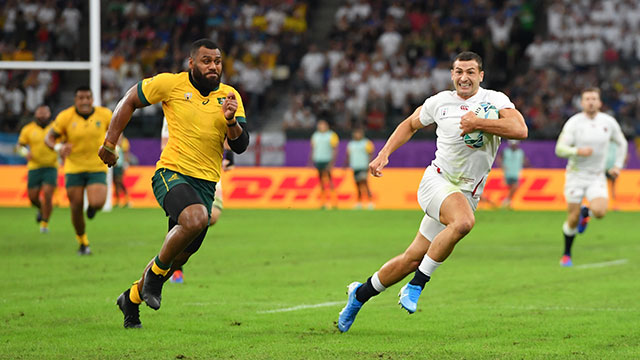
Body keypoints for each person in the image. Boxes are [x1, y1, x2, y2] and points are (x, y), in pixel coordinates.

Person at [337, 51, 527, 332]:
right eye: (459, 71)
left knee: (411, 258)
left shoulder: (494, 101)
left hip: (467, 193)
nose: (464, 77)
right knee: (463, 223)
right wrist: (384, 154)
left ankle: (359, 295)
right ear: (452, 74)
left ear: (481, 76)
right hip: (437, 182)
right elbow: (410, 124)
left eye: (471, 72)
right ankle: (416, 285)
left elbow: (520, 129)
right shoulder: (440, 102)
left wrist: (479, 123)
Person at [99, 39, 249, 328]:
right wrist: (110, 142)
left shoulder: (230, 96)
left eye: (217, 61)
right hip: (172, 173)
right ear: (191, 63)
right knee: (195, 219)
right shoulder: (171, 84)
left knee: (178, 258)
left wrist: (231, 121)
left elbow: (240, 145)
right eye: (206, 61)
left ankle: (130, 298)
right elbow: (130, 99)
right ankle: (154, 279)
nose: (213, 66)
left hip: (205, 183)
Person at [555, 88, 627, 267]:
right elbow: (560, 149)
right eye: (587, 99)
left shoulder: (608, 122)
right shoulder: (574, 123)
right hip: (576, 176)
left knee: (601, 212)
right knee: (572, 218)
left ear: (600, 102)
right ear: (581, 103)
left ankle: (586, 213)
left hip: (596, 176)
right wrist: (577, 151)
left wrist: (617, 165)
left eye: (594, 98)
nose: (591, 102)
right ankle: (567, 254)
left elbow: (622, 143)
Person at [160, 117, 235, 284]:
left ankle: (174, 258)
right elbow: (165, 142)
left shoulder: (216, 102)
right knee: (186, 217)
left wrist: (229, 155)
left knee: (212, 216)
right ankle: (173, 268)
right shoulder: (176, 105)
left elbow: (225, 131)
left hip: (210, 171)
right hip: (182, 172)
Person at [44, 86, 112, 255]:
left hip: (96, 166)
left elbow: (115, 133)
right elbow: (49, 138)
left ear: (92, 99)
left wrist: (115, 149)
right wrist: (59, 147)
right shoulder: (65, 117)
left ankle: (92, 209)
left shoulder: (104, 114)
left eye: (88, 97)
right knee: (76, 206)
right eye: (81, 98)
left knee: (97, 202)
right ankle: (83, 242)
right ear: (75, 100)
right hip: (74, 167)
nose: (85, 101)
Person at [16, 104, 58, 233]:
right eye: (40, 113)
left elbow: (64, 141)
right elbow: (19, 146)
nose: (43, 115)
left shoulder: (55, 128)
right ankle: (41, 209)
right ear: (36, 114)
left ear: (49, 114)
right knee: (33, 197)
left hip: (51, 166)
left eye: (45, 113)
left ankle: (44, 224)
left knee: (47, 194)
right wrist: (24, 153)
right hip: (34, 167)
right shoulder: (28, 129)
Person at [310, 119, 339, 209]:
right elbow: (313, 149)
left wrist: (332, 162)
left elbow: (335, 149)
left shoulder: (331, 135)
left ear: (327, 126)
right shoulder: (315, 135)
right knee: (321, 182)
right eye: (320, 125)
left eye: (323, 125)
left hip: (327, 160)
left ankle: (334, 202)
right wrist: (311, 160)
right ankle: (323, 202)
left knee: (330, 181)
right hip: (318, 160)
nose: (321, 127)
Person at [345, 127, 375, 209]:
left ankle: (370, 202)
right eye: (356, 133)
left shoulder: (366, 143)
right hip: (355, 166)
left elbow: (370, 153)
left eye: (358, 133)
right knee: (357, 185)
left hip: (363, 166)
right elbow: (348, 155)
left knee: (365, 184)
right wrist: (346, 165)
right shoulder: (351, 144)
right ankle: (359, 202)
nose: (357, 135)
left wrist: (369, 164)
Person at [498, 139, 528, 209]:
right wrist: (502, 166)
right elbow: (499, 158)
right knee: (513, 188)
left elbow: (524, 161)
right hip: (508, 172)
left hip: (516, 172)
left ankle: (508, 201)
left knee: (514, 187)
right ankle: (507, 201)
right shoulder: (505, 151)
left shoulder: (520, 152)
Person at [112, 134, 132, 208]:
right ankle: (117, 200)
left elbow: (126, 153)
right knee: (115, 183)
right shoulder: (113, 141)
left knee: (120, 182)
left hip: (120, 165)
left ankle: (127, 199)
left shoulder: (124, 141)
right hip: (114, 165)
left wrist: (125, 163)